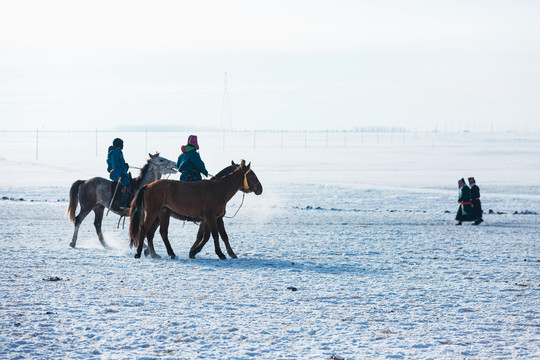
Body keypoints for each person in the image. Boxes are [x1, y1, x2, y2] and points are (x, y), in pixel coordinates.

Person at [106, 138, 131, 209]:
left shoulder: (116, 151)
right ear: (119, 144)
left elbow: (120, 164)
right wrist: (119, 174)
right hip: (116, 174)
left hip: (121, 173)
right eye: (122, 144)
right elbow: (115, 164)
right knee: (127, 184)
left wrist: (125, 166)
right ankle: (123, 204)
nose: (123, 146)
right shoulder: (115, 152)